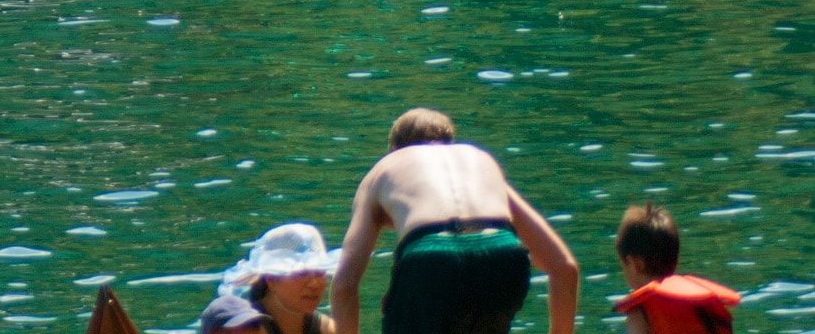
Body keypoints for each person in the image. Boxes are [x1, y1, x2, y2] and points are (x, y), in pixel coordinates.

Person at [332, 107, 576, 334]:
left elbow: (344, 285)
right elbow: (564, 268)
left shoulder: (385, 168)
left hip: (430, 256)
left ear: (395, 149)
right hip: (502, 252)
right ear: (450, 143)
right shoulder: (479, 161)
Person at [613, 206, 737, 334]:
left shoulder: (640, 312)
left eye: (623, 265)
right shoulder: (706, 305)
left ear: (636, 264)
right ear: (675, 260)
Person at [210, 224, 339, 334]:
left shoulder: (328, 329)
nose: (314, 284)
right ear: (271, 279)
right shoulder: (243, 329)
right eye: (301, 274)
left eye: (320, 272)